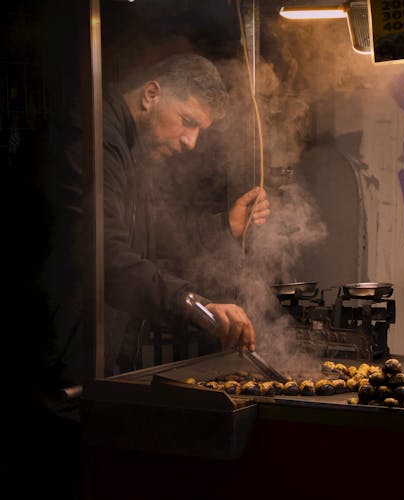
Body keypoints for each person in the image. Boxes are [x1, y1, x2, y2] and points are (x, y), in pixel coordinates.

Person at [10, 52, 269, 500]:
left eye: (199, 131)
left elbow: (151, 243)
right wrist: (198, 307)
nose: (190, 141)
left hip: (76, 372)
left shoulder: (132, 150)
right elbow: (105, 257)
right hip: (45, 376)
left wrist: (223, 227)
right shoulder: (89, 139)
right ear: (151, 94)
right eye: (187, 121)